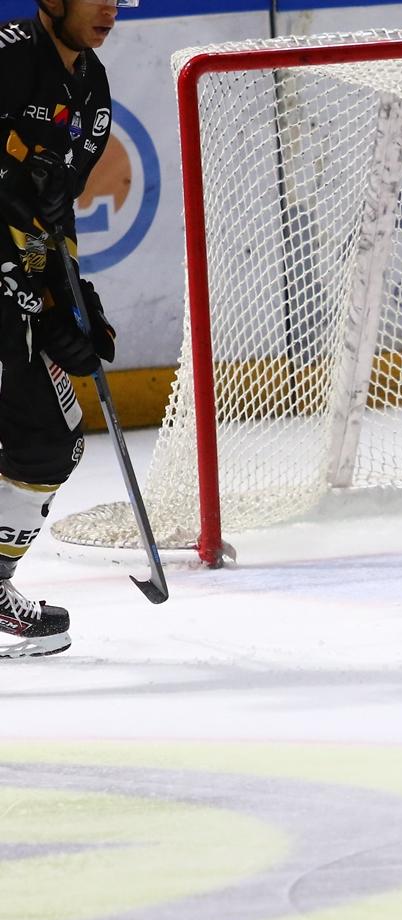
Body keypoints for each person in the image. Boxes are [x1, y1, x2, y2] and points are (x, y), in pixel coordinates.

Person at [0, 0, 121, 658]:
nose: (110, 8)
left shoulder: (90, 86)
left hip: (17, 280)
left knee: (49, 439)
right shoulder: (9, 56)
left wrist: (75, 299)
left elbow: (53, 215)